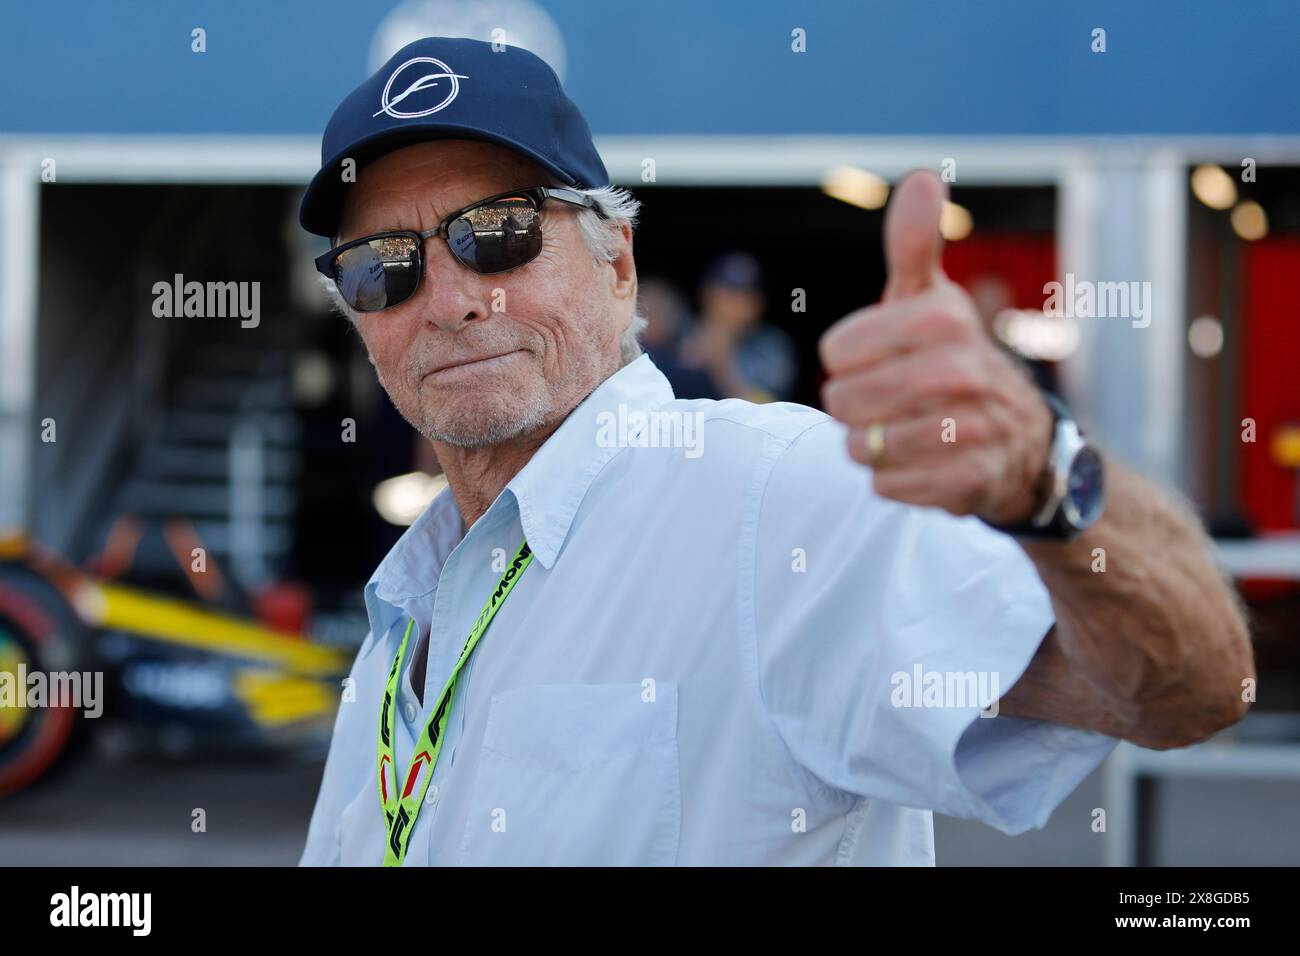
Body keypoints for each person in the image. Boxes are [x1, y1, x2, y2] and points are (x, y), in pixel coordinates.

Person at [297, 36, 1252, 866]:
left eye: (496, 234)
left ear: (617, 263)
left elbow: (1188, 693)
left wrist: (1049, 473)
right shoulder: (405, 614)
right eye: (385, 265)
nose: (455, 300)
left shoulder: (773, 500)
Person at [680, 252, 798, 402]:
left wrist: (723, 365)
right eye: (728, 294)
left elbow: (766, 410)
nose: (736, 305)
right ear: (707, 294)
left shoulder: (772, 346)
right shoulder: (679, 331)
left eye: (746, 296)